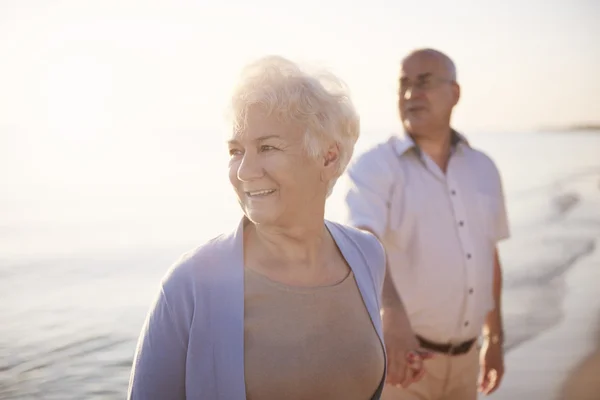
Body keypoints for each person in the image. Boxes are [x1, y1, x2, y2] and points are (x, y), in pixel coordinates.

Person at [127, 55, 407, 400]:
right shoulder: (191, 284)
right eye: (236, 151)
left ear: (328, 157)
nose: (244, 171)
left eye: (267, 147)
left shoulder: (367, 255)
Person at [342, 48, 510, 400]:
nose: (409, 94)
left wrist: (494, 338)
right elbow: (362, 239)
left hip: (467, 365)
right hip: (403, 364)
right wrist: (392, 314)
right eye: (403, 84)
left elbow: (487, 255)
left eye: (424, 83)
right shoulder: (374, 166)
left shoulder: (483, 168)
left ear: (455, 93)